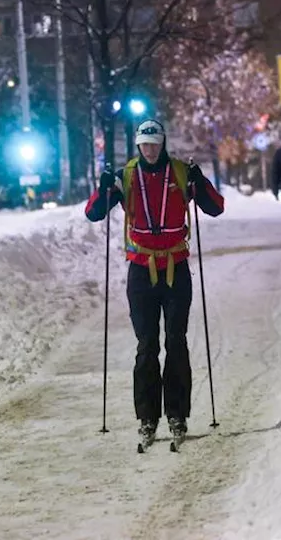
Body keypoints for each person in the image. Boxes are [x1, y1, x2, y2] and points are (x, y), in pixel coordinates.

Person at [84, 119, 225, 446]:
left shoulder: (178, 172)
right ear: (138, 146)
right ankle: (148, 418)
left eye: (154, 144)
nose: (149, 149)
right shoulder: (126, 176)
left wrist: (199, 182)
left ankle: (177, 413)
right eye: (144, 144)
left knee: (176, 341)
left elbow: (215, 208)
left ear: (162, 144)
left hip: (175, 266)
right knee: (147, 345)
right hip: (140, 271)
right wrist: (104, 187)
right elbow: (93, 213)